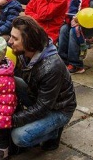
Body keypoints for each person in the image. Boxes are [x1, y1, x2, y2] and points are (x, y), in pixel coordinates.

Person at [6, 16, 76, 151]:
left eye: (15, 38)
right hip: (40, 97)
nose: (10, 42)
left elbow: (43, 107)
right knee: (10, 80)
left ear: (29, 41)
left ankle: (53, 132)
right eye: (11, 36)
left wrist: (11, 120)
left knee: (19, 137)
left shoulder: (51, 67)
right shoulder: (23, 53)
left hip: (59, 109)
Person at [58, 0, 90, 74]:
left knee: (73, 34)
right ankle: (63, 59)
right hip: (68, 20)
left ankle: (76, 64)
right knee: (63, 31)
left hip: (78, 21)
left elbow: (83, 7)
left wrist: (77, 19)